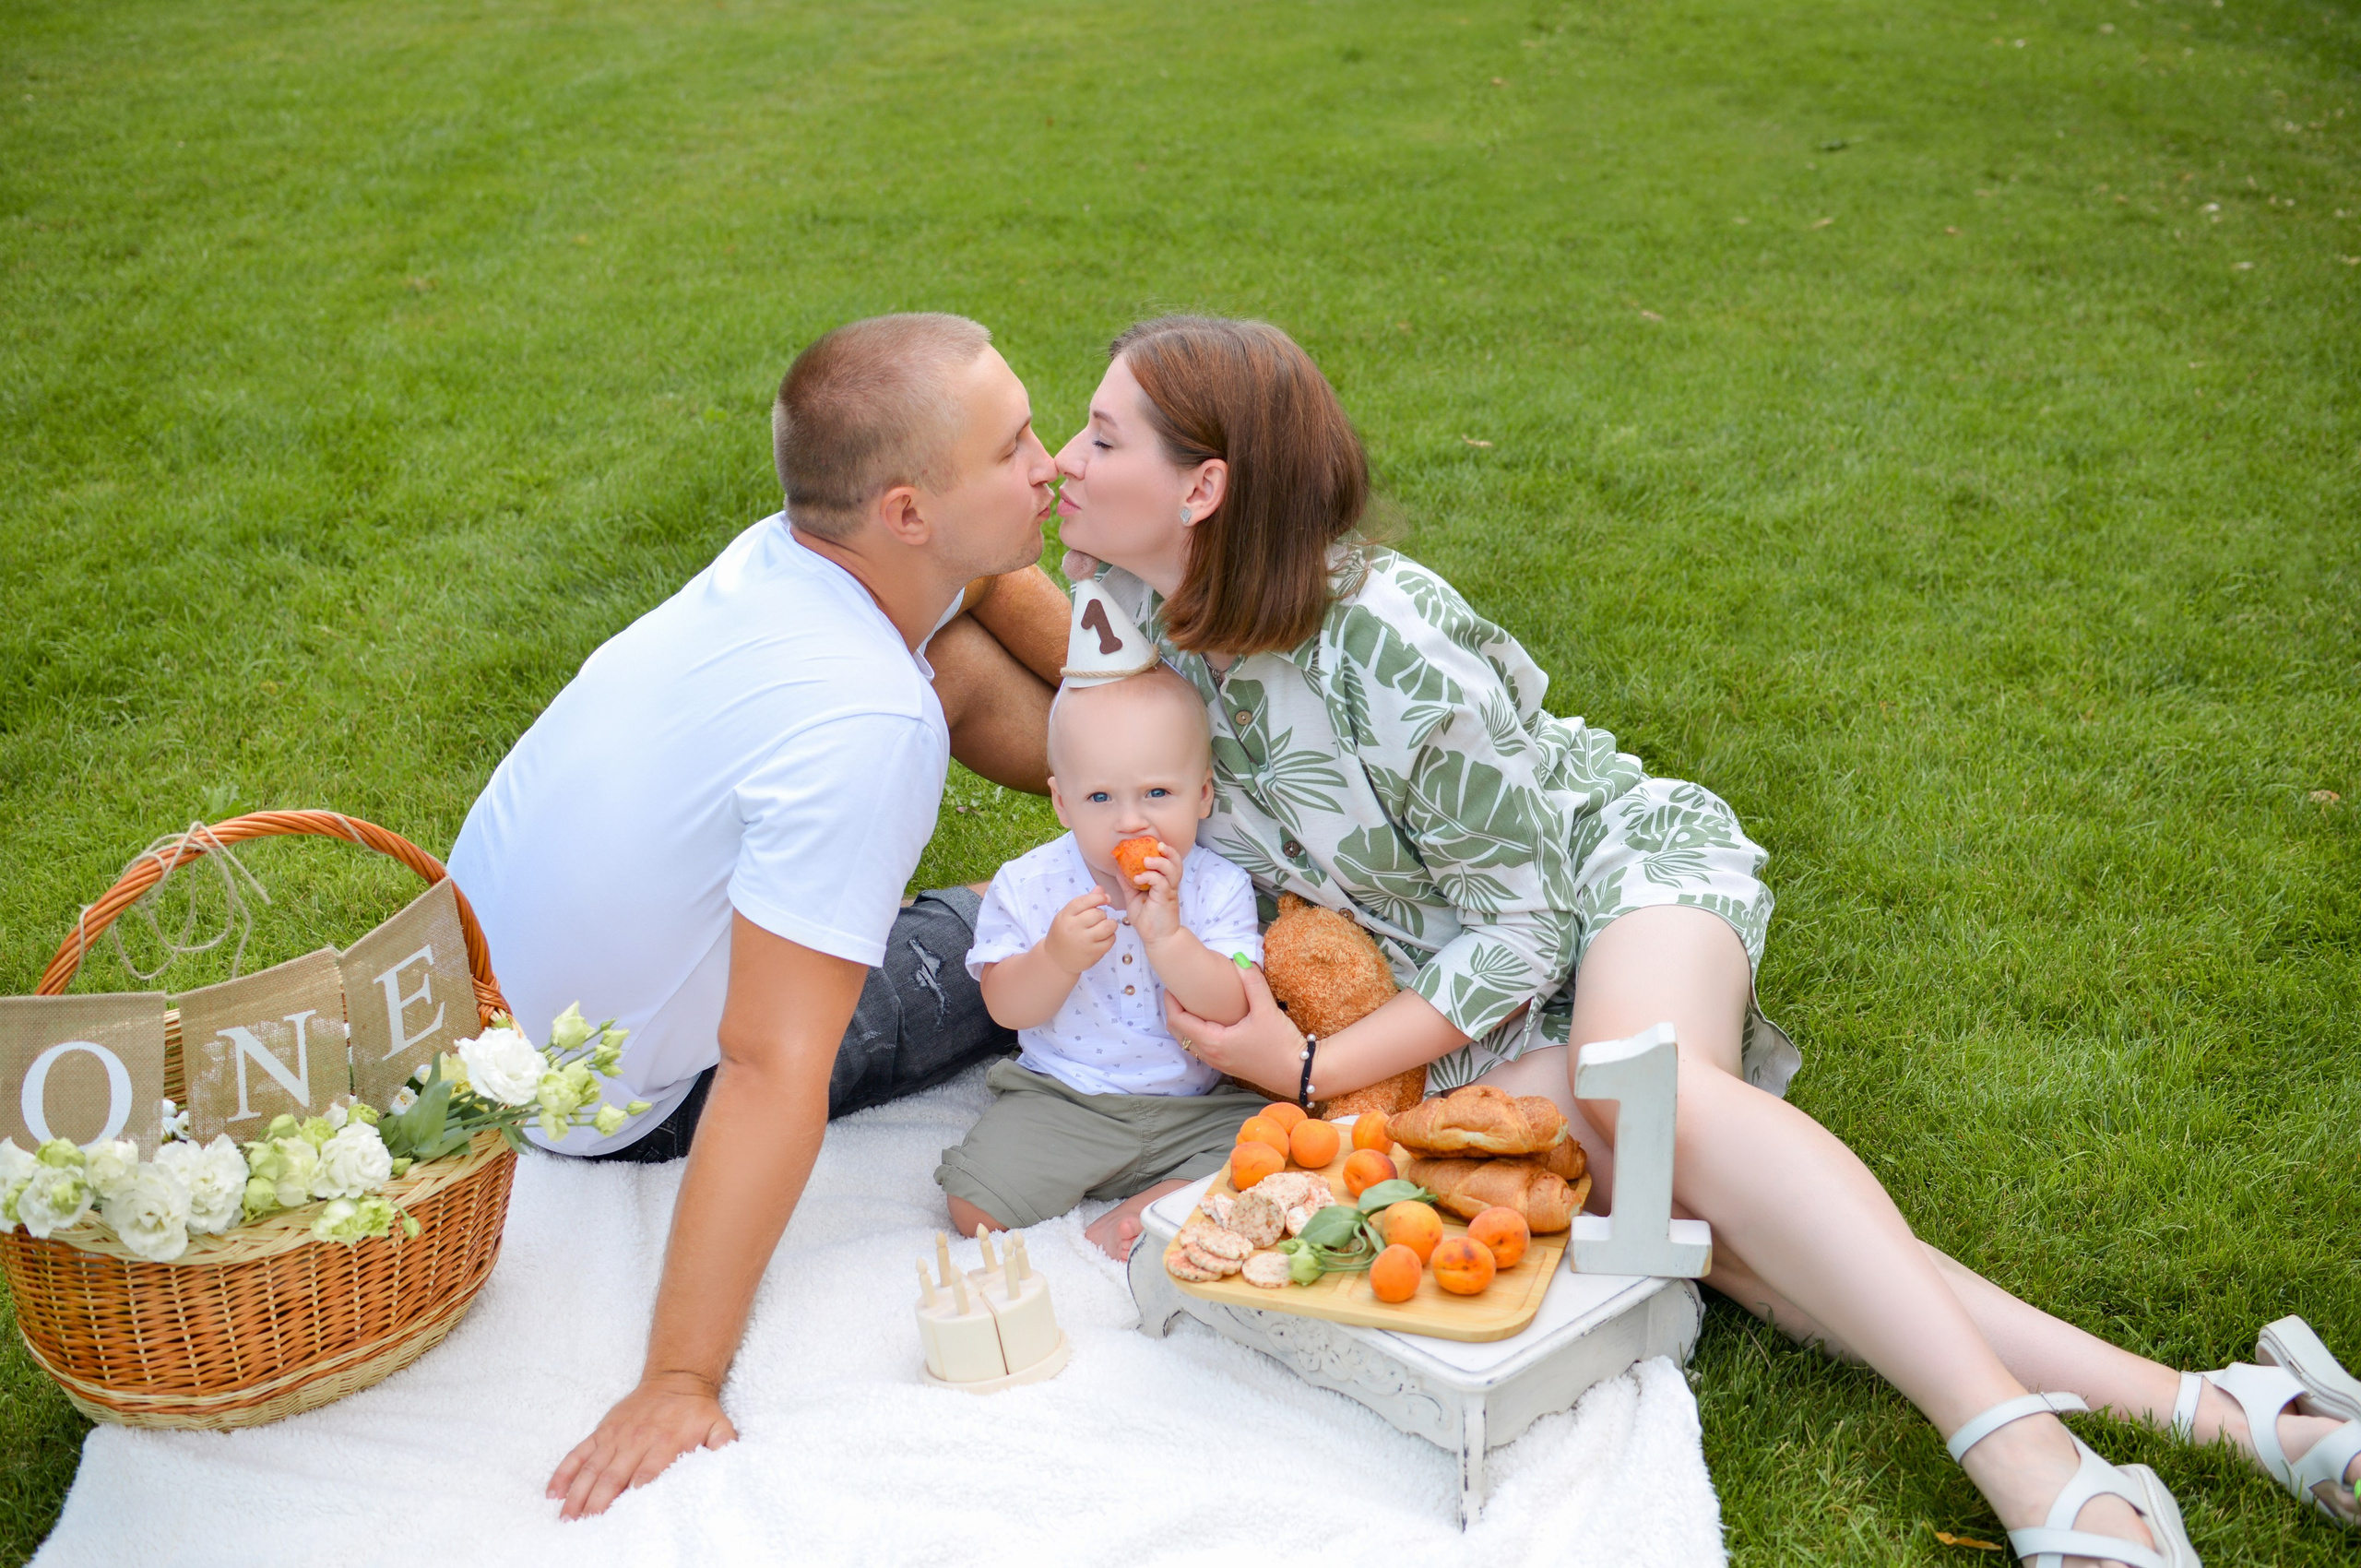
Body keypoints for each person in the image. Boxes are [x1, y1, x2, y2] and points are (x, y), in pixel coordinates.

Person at [1049, 314, 2361, 1564]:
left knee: (1645, 1091)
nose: (1064, 461)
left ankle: (2027, 1460)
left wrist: (1320, 1083)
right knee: (1682, 1203)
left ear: (1205, 487)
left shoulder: (1380, 637)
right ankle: (2220, 1414)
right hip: (1468, 1002)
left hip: (1605, 878)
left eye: (1100, 438)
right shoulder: (1134, 608)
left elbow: (1525, 918)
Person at [447, 313, 1072, 1519]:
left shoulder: (789, 553)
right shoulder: (865, 724)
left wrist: (1126, 743)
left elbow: (972, 584)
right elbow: (769, 1061)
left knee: (947, 644)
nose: (1048, 464)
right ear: (900, 512)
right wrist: (678, 1377)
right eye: (1013, 449)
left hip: (490, 1008)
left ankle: (1133, 777)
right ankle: (1106, 846)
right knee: (1032, 924)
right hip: (618, 1099)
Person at [936, 605, 1264, 1255]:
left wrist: (1169, 939)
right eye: (1100, 799)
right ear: (1061, 802)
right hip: (1066, 1097)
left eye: (1158, 795)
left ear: (1202, 795)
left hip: (1194, 1106)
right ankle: (1168, 1201)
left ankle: (1150, 1207)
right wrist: (1055, 958)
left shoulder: (1216, 886)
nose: (1130, 822)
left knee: (1270, 1145)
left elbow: (1233, 1005)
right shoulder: (1029, 886)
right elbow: (1005, 1006)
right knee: (973, 1201)